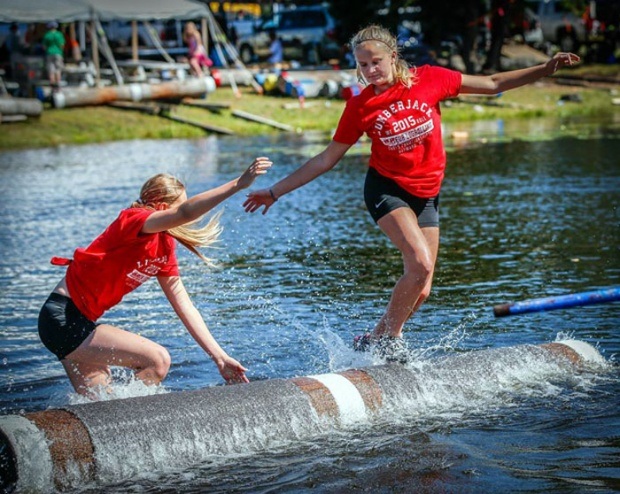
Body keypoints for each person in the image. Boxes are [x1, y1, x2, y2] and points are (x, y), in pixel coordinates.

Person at [243, 24, 579, 360]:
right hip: (387, 190)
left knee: (423, 286)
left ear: (393, 56)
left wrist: (545, 68)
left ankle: (373, 338)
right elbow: (326, 159)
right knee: (418, 263)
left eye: (376, 62)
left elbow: (492, 85)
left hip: (427, 194)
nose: (370, 71)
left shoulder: (430, 79)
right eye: (363, 65)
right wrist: (274, 192)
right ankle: (391, 339)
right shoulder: (361, 107)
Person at [38, 157, 273, 398]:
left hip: (79, 324)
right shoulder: (132, 219)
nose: (185, 219)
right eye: (178, 209)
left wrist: (220, 357)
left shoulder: (164, 246)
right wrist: (238, 184)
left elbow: (185, 306)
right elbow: (185, 211)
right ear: (161, 207)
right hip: (62, 318)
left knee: (100, 404)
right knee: (158, 360)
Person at [41, 21, 65, 92]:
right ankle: (58, 86)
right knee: (58, 70)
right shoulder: (59, 34)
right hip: (58, 53)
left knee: (51, 70)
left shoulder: (47, 35)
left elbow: (44, 46)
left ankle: (52, 87)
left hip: (49, 53)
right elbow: (62, 45)